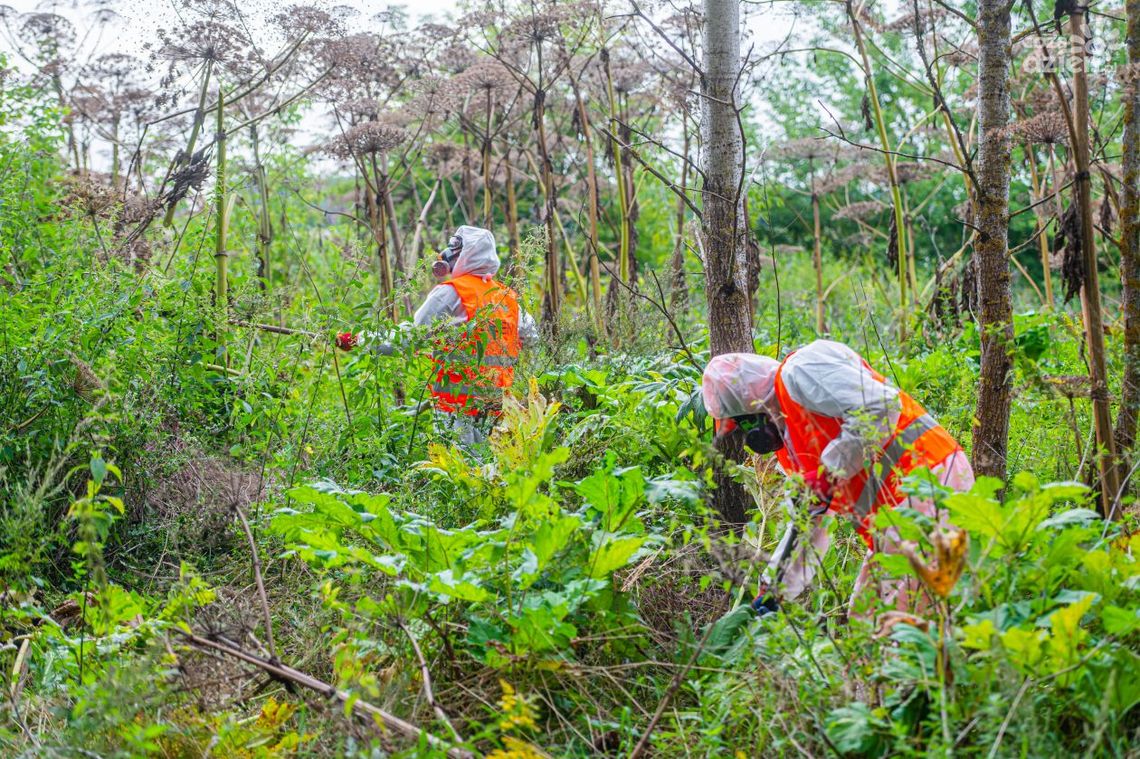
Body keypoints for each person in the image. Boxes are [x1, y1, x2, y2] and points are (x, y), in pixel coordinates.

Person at [700, 340, 974, 617]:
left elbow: (880, 406)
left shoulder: (801, 371)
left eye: (745, 422)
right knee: (864, 622)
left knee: (897, 629)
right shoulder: (794, 444)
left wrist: (830, 471)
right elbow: (810, 521)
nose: (750, 435)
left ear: (755, 403)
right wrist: (775, 587)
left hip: (931, 483)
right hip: (897, 514)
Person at [337, 225, 539, 445]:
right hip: (499, 412)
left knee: (459, 474)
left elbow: (405, 340)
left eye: (454, 248)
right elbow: (531, 339)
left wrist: (358, 339)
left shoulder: (451, 293)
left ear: (466, 254)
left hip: (456, 412)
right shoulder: (506, 297)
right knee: (495, 474)